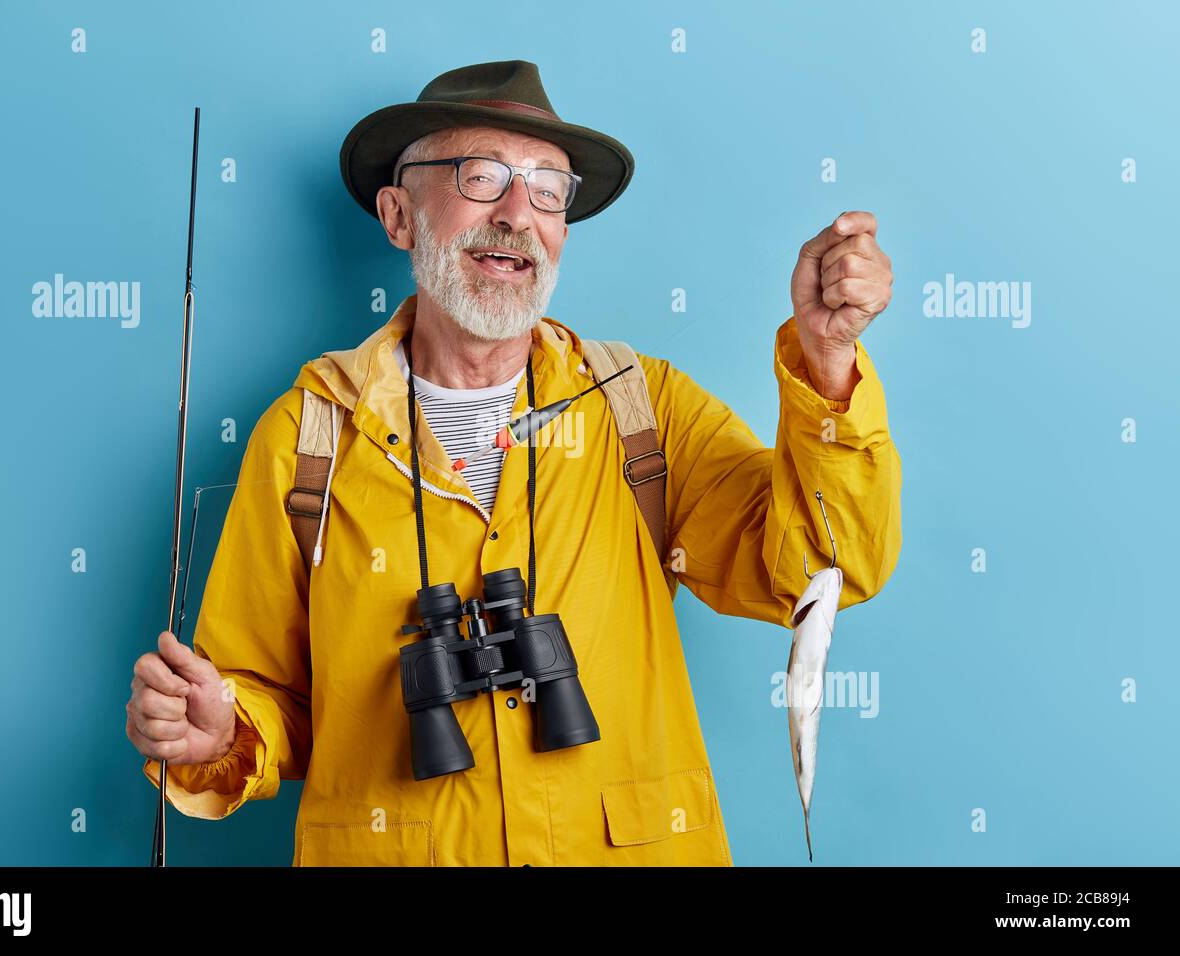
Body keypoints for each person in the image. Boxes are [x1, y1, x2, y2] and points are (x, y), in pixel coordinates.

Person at [126, 60, 902, 866]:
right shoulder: (306, 435)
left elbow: (819, 565)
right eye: (481, 176)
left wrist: (829, 359)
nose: (516, 214)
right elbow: (260, 694)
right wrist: (216, 729)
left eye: (546, 189)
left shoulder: (641, 410)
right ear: (398, 215)